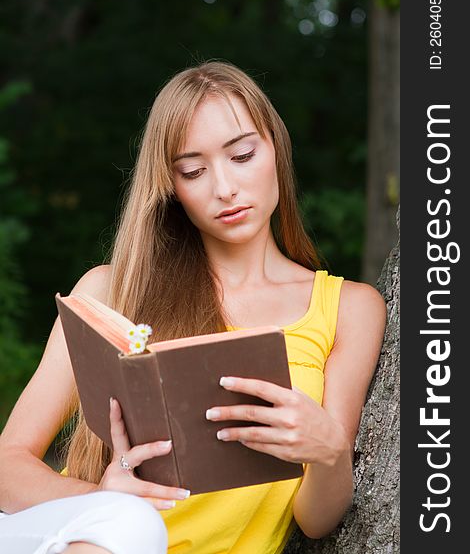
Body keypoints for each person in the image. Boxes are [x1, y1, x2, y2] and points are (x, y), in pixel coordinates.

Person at [0, 60, 386, 554]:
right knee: (131, 525)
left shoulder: (348, 307)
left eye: (242, 155)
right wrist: (101, 499)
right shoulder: (109, 292)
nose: (223, 188)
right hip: (80, 539)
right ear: (172, 188)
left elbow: (315, 521)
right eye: (194, 171)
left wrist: (330, 452)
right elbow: (9, 466)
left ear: (275, 149)